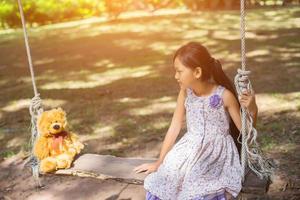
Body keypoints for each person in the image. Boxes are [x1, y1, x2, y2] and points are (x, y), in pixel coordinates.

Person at [133, 42, 258, 200]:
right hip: (189, 148)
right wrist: (159, 162)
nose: (175, 76)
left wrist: (253, 109)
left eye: (179, 71)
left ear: (197, 72)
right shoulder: (185, 93)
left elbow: (246, 134)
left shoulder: (224, 96)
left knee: (197, 179)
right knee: (169, 175)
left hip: (216, 153)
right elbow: (174, 126)